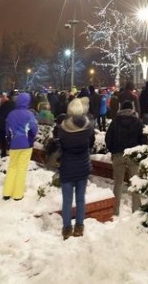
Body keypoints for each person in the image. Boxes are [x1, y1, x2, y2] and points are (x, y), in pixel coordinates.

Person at [58, 97, 95, 239]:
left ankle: (67, 229)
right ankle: (79, 227)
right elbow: (90, 144)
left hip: (67, 167)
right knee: (80, 199)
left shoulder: (63, 128)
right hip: (83, 167)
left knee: (67, 200)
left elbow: (60, 146)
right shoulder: (88, 128)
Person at [105, 100, 147, 216]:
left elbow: (108, 138)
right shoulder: (137, 122)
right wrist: (139, 152)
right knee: (135, 183)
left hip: (118, 155)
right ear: (131, 109)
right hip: (133, 156)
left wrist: (113, 150)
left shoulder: (115, 122)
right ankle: (136, 210)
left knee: (118, 183)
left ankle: (115, 210)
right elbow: (144, 139)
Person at [2, 92, 38, 201]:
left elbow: (7, 130)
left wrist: (10, 138)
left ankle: (7, 192)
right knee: (21, 169)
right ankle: (17, 194)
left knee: (12, 167)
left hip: (13, 144)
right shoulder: (29, 114)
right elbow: (34, 129)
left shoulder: (11, 114)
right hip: (26, 144)